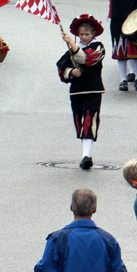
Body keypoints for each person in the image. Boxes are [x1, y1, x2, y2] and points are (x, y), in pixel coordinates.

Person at [56, 15, 105, 169]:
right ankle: (85, 154)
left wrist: (71, 42)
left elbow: (86, 59)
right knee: (79, 122)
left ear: (93, 34)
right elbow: (61, 69)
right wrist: (71, 73)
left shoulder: (98, 47)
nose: (84, 38)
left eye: (87, 34)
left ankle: (86, 156)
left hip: (93, 90)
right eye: (81, 34)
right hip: (77, 92)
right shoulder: (72, 50)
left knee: (89, 121)